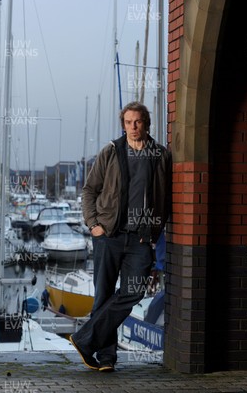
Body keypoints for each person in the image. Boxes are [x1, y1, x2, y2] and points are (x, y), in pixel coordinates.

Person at [70, 102, 171, 372]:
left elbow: (166, 199)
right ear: (123, 124)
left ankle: (84, 338)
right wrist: (93, 224)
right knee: (103, 295)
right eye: (128, 122)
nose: (133, 127)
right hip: (108, 236)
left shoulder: (160, 155)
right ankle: (106, 358)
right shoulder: (111, 152)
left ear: (146, 124)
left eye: (138, 122)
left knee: (134, 291)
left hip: (140, 239)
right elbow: (90, 190)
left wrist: (154, 234)